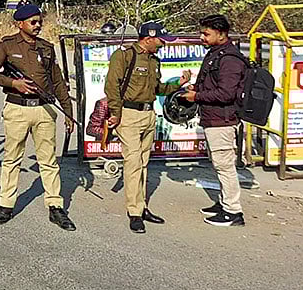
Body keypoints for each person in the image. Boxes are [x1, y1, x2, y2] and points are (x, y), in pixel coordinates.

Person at [0, 4, 77, 231]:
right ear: (20, 24)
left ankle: (55, 206)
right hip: (17, 109)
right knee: (12, 158)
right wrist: (13, 83)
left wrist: (68, 113)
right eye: (33, 22)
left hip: (44, 109)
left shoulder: (47, 47)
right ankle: (6, 205)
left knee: (48, 160)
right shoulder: (7, 45)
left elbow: (58, 82)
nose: (38, 25)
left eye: (39, 21)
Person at [104, 22, 191, 233]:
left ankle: (141, 206)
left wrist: (179, 83)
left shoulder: (154, 60)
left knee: (143, 163)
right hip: (129, 115)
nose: (163, 45)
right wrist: (115, 113)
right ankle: (134, 212)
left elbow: (157, 88)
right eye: (161, 40)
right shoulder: (124, 56)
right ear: (148, 38)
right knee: (133, 163)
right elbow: (111, 86)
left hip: (149, 114)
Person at [182, 14, 246, 227]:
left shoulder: (230, 59)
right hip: (213, 119)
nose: (202, 37)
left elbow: (226, 94)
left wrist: (197, 97)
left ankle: (233, 211)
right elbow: (213, 86)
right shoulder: (216, 54)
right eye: (202, 32)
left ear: (221, 34)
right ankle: (224, 202)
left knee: (225, 166)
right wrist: (196, 88)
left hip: (223, 121)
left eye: (206, 33)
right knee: (219, 164)